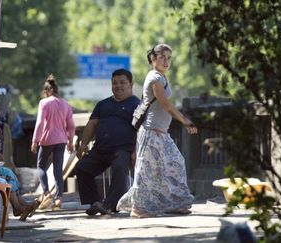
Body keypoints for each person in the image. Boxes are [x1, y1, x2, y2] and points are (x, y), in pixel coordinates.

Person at [117, 44, 197, 218]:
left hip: (161, 132)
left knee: (175, 164)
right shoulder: (155, 78)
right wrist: (184, 120)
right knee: (146, 171)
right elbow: (165, 104)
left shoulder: (161, 76)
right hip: (151, 132)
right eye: (162, 57)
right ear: (153, 60)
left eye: (169, 57)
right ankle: (138, 208)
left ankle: (176, 203)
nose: (166, 61)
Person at [75, 68, 140, 216]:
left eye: (122, 82)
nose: (118, 86)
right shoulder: (103, 104)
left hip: (123, 150)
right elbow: (92, 124)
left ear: (131, 84)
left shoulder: (137, 104)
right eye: (115, 83)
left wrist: (136, 150)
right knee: (82, 168)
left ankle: (111, 205)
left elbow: (141, 130)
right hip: (100, 149)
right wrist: (83, 144)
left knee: (119, 168)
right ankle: (95, 202)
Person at [31, 74, 76, 210]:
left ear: (46, 91)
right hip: (61, 140)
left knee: (41, 166)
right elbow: (71, 125)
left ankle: (46, 193)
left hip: (47, 139)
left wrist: (35, 140)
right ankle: (58, 199)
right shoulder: (66, 104)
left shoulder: (44, 103)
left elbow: (39, 124)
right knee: (58, 170)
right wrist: (70, 141)